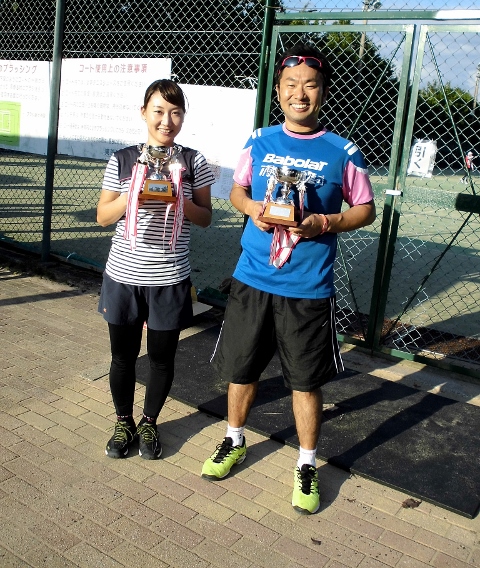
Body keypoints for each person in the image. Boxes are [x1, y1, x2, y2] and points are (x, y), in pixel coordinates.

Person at [201, 43, 376, 514]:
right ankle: (234, 438)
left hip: (306, 287)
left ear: (323, 92)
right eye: (291, 84)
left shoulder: (343, 152)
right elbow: (238, 190)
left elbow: (365, 209)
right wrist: (253, 208)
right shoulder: (258, 141)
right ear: (278, 91)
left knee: (304, 381)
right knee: (241, 369)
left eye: (310, 85)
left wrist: (325, 222)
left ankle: (307, 463)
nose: (300, 93)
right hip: (253, 278)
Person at [97, 79, 214, 460]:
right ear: (144, 113)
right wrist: (132, 194)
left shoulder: (193, 161)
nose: (167, 121)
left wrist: (179, 199)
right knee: (122, 357)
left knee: (162, 358)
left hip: (169, 278)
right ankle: (123, 422)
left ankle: (149, 422)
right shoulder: (123, 159)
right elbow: (103, 216)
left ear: (183, 117)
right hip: (124, 276)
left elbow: (205, 218)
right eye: (159, 111)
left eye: (175, 112)